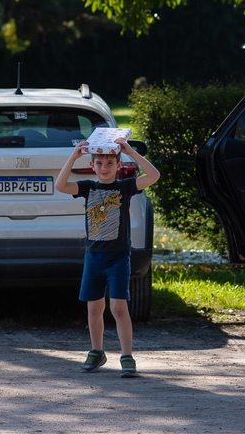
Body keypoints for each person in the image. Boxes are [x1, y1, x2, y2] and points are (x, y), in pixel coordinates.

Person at [57, 135, 160, 377]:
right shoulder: (87, 187)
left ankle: (127, 356)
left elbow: (153, 176)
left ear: (118, 165)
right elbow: (61, 186)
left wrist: (131, 152)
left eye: (110, 163)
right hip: (93, 258)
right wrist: (73, 157)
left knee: (118, 308)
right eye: (100, 164)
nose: (105, 168)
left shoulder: (125, 187)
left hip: (118, 258)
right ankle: (97, 351)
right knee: (93, 309)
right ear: (92, 165)